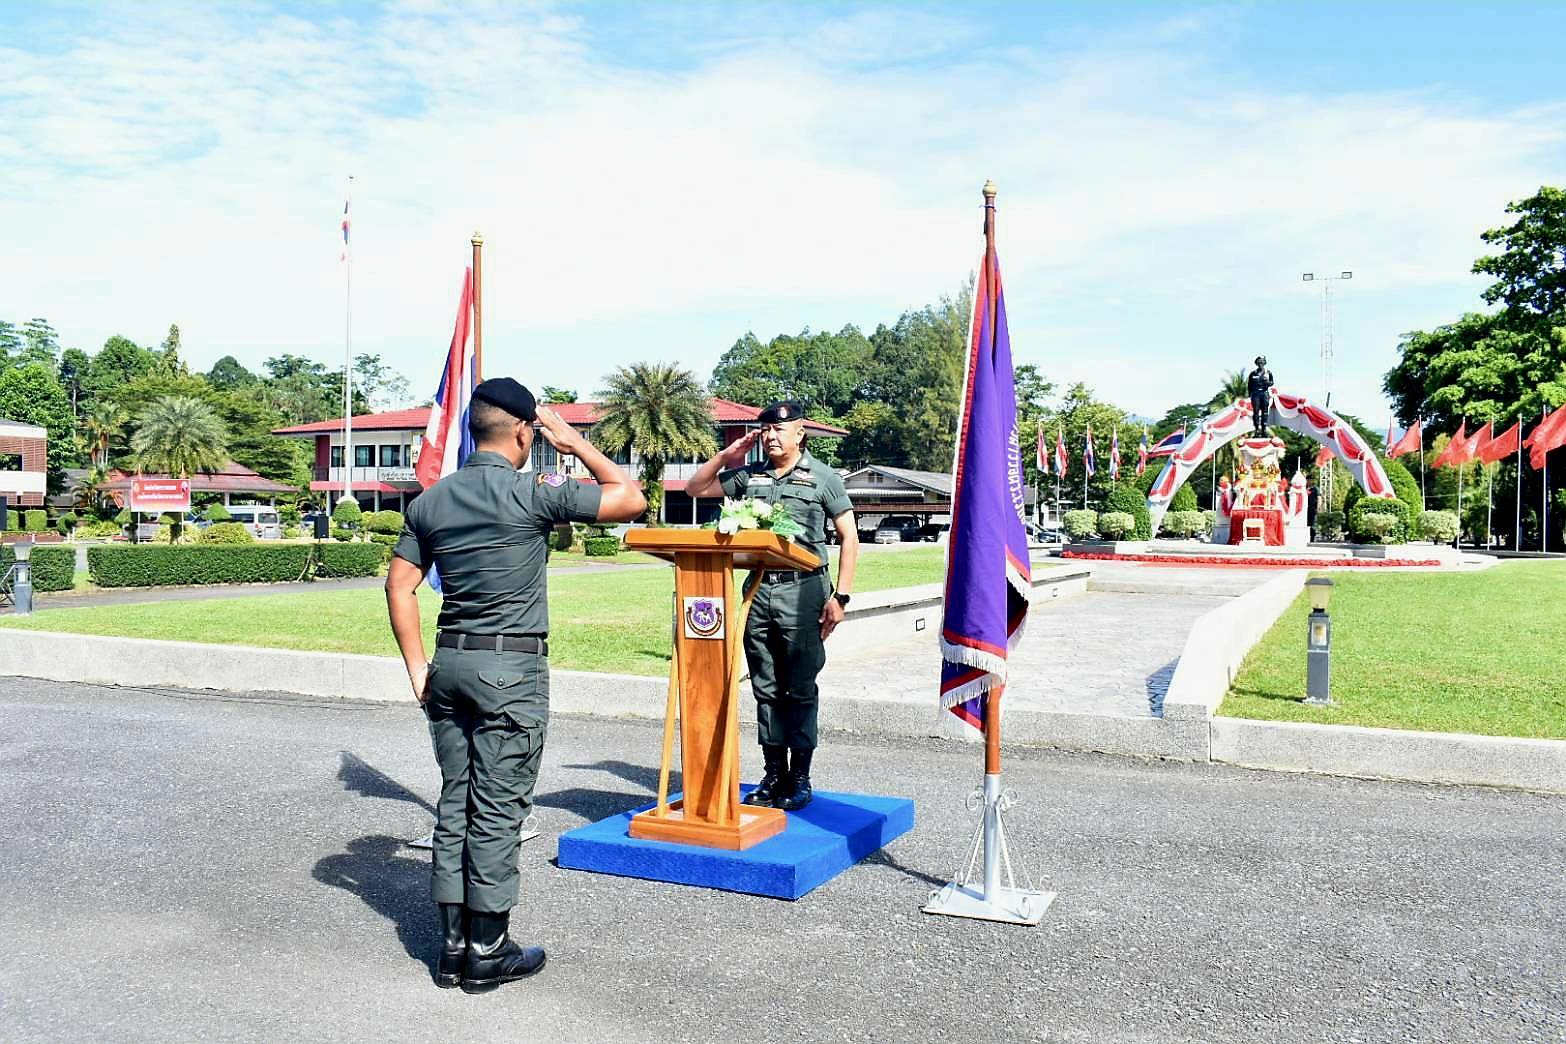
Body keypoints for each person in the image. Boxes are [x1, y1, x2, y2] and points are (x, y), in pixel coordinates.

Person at [384, 377, 644, 993]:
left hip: (448, 665)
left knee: (457, 801)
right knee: (499, 809)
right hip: (510, 670)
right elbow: (629, 497)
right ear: (525, 431)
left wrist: (418, 666)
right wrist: (574, 442)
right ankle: (487, 949)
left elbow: (399, 587)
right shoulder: (532, 492)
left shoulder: (430, 500)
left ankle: (449, 949)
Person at [685, 400, 859, 812]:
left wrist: (841, 596)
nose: (770, 437)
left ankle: (800, 777)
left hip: (804, 591)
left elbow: (848, 537)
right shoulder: (750, 476)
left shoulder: (823, 478)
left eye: (779, 430)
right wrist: (728, 456)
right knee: (764, 684)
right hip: (759, 591)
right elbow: (695, 488)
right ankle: (773, 773)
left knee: (798, 687)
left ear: (800, 433)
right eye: (765, 430)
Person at [1247, 356, 1274, 436]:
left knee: (1265, 412)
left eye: (1262, 362)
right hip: (1255, 394)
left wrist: (1268, 382)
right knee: (1256, 411)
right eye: (1259, 362)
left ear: (1264, 363)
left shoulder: (1268, 372)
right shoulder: (1253, 373)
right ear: (1257, 363)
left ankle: (1264, 429)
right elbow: (1249, 385)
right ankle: (1256, 429)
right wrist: (1250, 395)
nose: (1260, 363)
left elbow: (1272, 382)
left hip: (1264, 393)